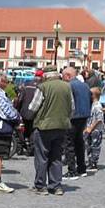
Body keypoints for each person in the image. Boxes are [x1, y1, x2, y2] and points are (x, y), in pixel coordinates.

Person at [29, 67, 73, 195]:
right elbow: (72, 108)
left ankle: (40, 186)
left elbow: (33, 107)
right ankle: (56, 186)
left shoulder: (43, 87)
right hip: (61, 126)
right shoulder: (67, 87)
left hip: (44, 126)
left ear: (46, 75)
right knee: (56, 157)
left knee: (42, 157)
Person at [62, 67, 92, 180]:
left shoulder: (69, 85)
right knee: (79, 143)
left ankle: (72, 171)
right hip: (84, 116)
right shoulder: (85, 85)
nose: (63, 78)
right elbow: (90, 98)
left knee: (69, 144)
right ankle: (82, 168)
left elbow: (68, 102)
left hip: (73, 117)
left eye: (63, 76)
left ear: (68, 76)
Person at [14, 70, 42, 156]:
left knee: (22, 130)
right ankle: (31, 149)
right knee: (32, 130)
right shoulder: (41, 86)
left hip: (24, 111)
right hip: (34, 113)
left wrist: (17, 110)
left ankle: (20, 148)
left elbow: (20, 99)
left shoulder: (26, 85)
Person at [85, 87, 105, 172]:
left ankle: (93, 163)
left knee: (95, 146)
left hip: (96, 130)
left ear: (93, 95)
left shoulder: (97, 106)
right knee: (89, 146)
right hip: (90, 129)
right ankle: (90, 162)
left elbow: (99, 119)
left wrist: (91, 128)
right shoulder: (92, 104)